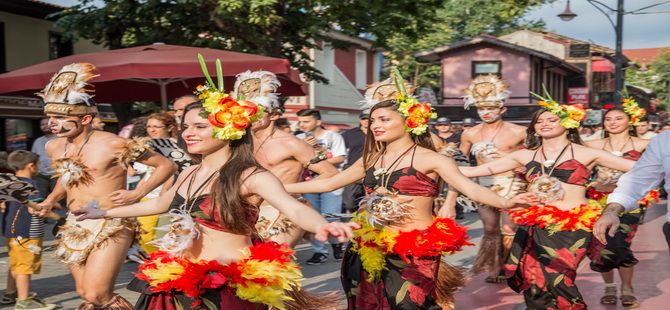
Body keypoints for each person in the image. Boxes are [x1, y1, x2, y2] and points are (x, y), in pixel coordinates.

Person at [73, 82, 357, 309]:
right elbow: (159, 204)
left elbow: (293, 209)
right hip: (178, 281)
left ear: (228, 129)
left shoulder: (249, 175)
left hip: (225, 288)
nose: (188, 133)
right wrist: (103, 213)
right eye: (185, 126)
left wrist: (322, 225)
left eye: (199, 127)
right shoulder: (188, 173)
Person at [285, 71, 534, 309]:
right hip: (370, 244)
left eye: (384, 120)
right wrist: (276, 186)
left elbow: (471, 189)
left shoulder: (431, 159)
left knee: (410, 304)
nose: (375, 126)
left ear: (409, 122)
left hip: (414, 249)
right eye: (373, 121)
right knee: (369, 303)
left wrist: (508, 202)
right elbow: (328, 183)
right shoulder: (370, 159)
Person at [460, 95, 635, 309]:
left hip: (572, 228)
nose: (544, 124)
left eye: (552, 120)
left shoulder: (587, 153)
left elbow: (640, 170)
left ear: (568, 123)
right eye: (539, 121)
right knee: (533, 280)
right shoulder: (524, 156)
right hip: (535, 225)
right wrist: (437, 163)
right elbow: (472, 171)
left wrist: (611, 186)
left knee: (558, 277)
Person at [34, 63, 176, 309]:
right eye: (50, 117)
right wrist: (49, 200)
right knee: (85, 294)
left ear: (86, 118)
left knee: (97, 294)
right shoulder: (53, 146)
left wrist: (137, 193)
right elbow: (67, 177)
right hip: (74, 224)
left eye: (59, 118)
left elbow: (166, 165)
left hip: (112, 221)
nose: (52, 124)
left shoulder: (113, 143)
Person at [231, 70, 338, 246]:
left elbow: (330, 174)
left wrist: (282, 188)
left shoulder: (291, 143)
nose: (249, 115)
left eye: (257, 111)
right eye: (244, 110)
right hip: (248, 210)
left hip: (284, 209)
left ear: (274, 114)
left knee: (271, 262)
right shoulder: (240, 143)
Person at [459, 74, 528, 283]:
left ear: (502, 109)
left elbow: (533, 160)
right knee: (490, 228)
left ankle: (511, 266)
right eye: (481, 109)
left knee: (509, 228)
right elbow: (459, 161)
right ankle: (494, 267)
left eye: (491, 108)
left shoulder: (519, 131)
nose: (486, 113)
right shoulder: (469, 133)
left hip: (512, 183)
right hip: (483, 185)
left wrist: (509, 158)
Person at [583, 101, 652, 307]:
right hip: (598, 201)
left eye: (618, 118)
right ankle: (609, 287)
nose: (612, 122)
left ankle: (627, 287)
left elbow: (653, 172)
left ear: (630, 121)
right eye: (608, 119)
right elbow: (579, 171)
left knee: (619, 242)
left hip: (631, 201)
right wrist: (594, 183)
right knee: (602, 243)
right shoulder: (592, 146)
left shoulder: (643, 144)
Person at [1, 151, 56, 310]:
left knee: (16, 263)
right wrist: (57, 217)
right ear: (31, 166)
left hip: (11, 232)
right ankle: (24, 301)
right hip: (28, 232)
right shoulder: (33, 185)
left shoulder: (9, 182)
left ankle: (10, 293)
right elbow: (35, 208)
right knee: (25, 266)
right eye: (38, 164)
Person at [295, 108, 348, 264]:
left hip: (332, 183)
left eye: (306, 121)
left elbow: (339, 158)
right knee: (313, 217)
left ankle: (337, 244)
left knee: (330, 216)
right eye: (300, 122)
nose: (302, 125)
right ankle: (319, 251)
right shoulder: (297, 138)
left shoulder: (333, 136)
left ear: (318, 122)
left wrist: (314, 162)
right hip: (308, 184)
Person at [341, 111, 369, 213]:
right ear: (360, 120)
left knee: (371, 199)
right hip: (352, 168)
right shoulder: (350, 134)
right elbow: (338, 149)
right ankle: (354, 217)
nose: (366, 121)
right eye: (363, 119)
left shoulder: (378, 133)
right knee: (350, 202)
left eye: (369, 119)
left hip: (372, 168)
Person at [30, 118, 56, 197]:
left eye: (47, 123)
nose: (45, 126)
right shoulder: (38, 141)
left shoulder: (61, 139)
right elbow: (32, 156)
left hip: (58, 174)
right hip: (41, 175)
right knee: (40, 197)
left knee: (58, 198)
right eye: (42, 124)